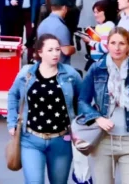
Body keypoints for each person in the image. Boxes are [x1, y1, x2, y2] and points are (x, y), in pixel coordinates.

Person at [78, 27, 129, 184]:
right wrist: (97, 118)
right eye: (113, 43)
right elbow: (82, 101)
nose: (117, 48)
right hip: (103, 141)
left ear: (128, 46)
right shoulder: (96, 69)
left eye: (122, 43)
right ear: (107, 45)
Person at [6, 34, 81, 184]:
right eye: (50, 50)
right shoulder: (27, 73)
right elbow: (13, 95)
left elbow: (81, 101)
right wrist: (12, 122)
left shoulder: (70, 74)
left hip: (61, 140)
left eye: (58, 49)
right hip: (31, 139)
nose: (55, 53)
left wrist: (80, 127)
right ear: (40, 52)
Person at [36, 0, 76, 64]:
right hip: (59, 67)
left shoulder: (43, 23)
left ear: (52, 8)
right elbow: (66, 51)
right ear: (64, 8)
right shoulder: (61, 27)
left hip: (45, 64)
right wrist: (73, 48)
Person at [79, 0, 117, 68]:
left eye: (98, 12)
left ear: (106, 12)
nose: (95, 15)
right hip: (97, 61)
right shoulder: (101, 26)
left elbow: (105, 48)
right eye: (94, 12)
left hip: (101, 63)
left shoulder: (108, 26)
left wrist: (89, 41)